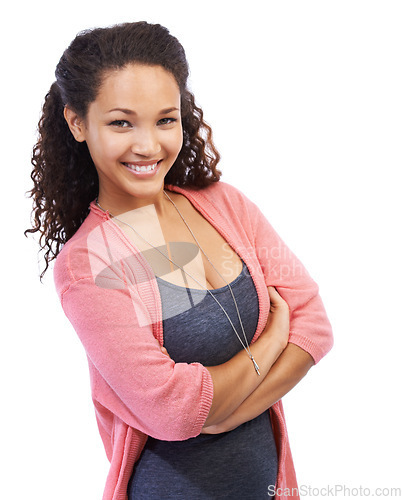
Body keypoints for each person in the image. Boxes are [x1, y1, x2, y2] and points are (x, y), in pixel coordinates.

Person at [26, 21, 333, 499]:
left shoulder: (223, 205)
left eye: (165, 120)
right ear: (77, 123)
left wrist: (224, 413)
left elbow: (314, 327)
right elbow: (174, 410)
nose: (148, 145)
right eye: (121, 122)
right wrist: (273, 337)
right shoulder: (90, 261)